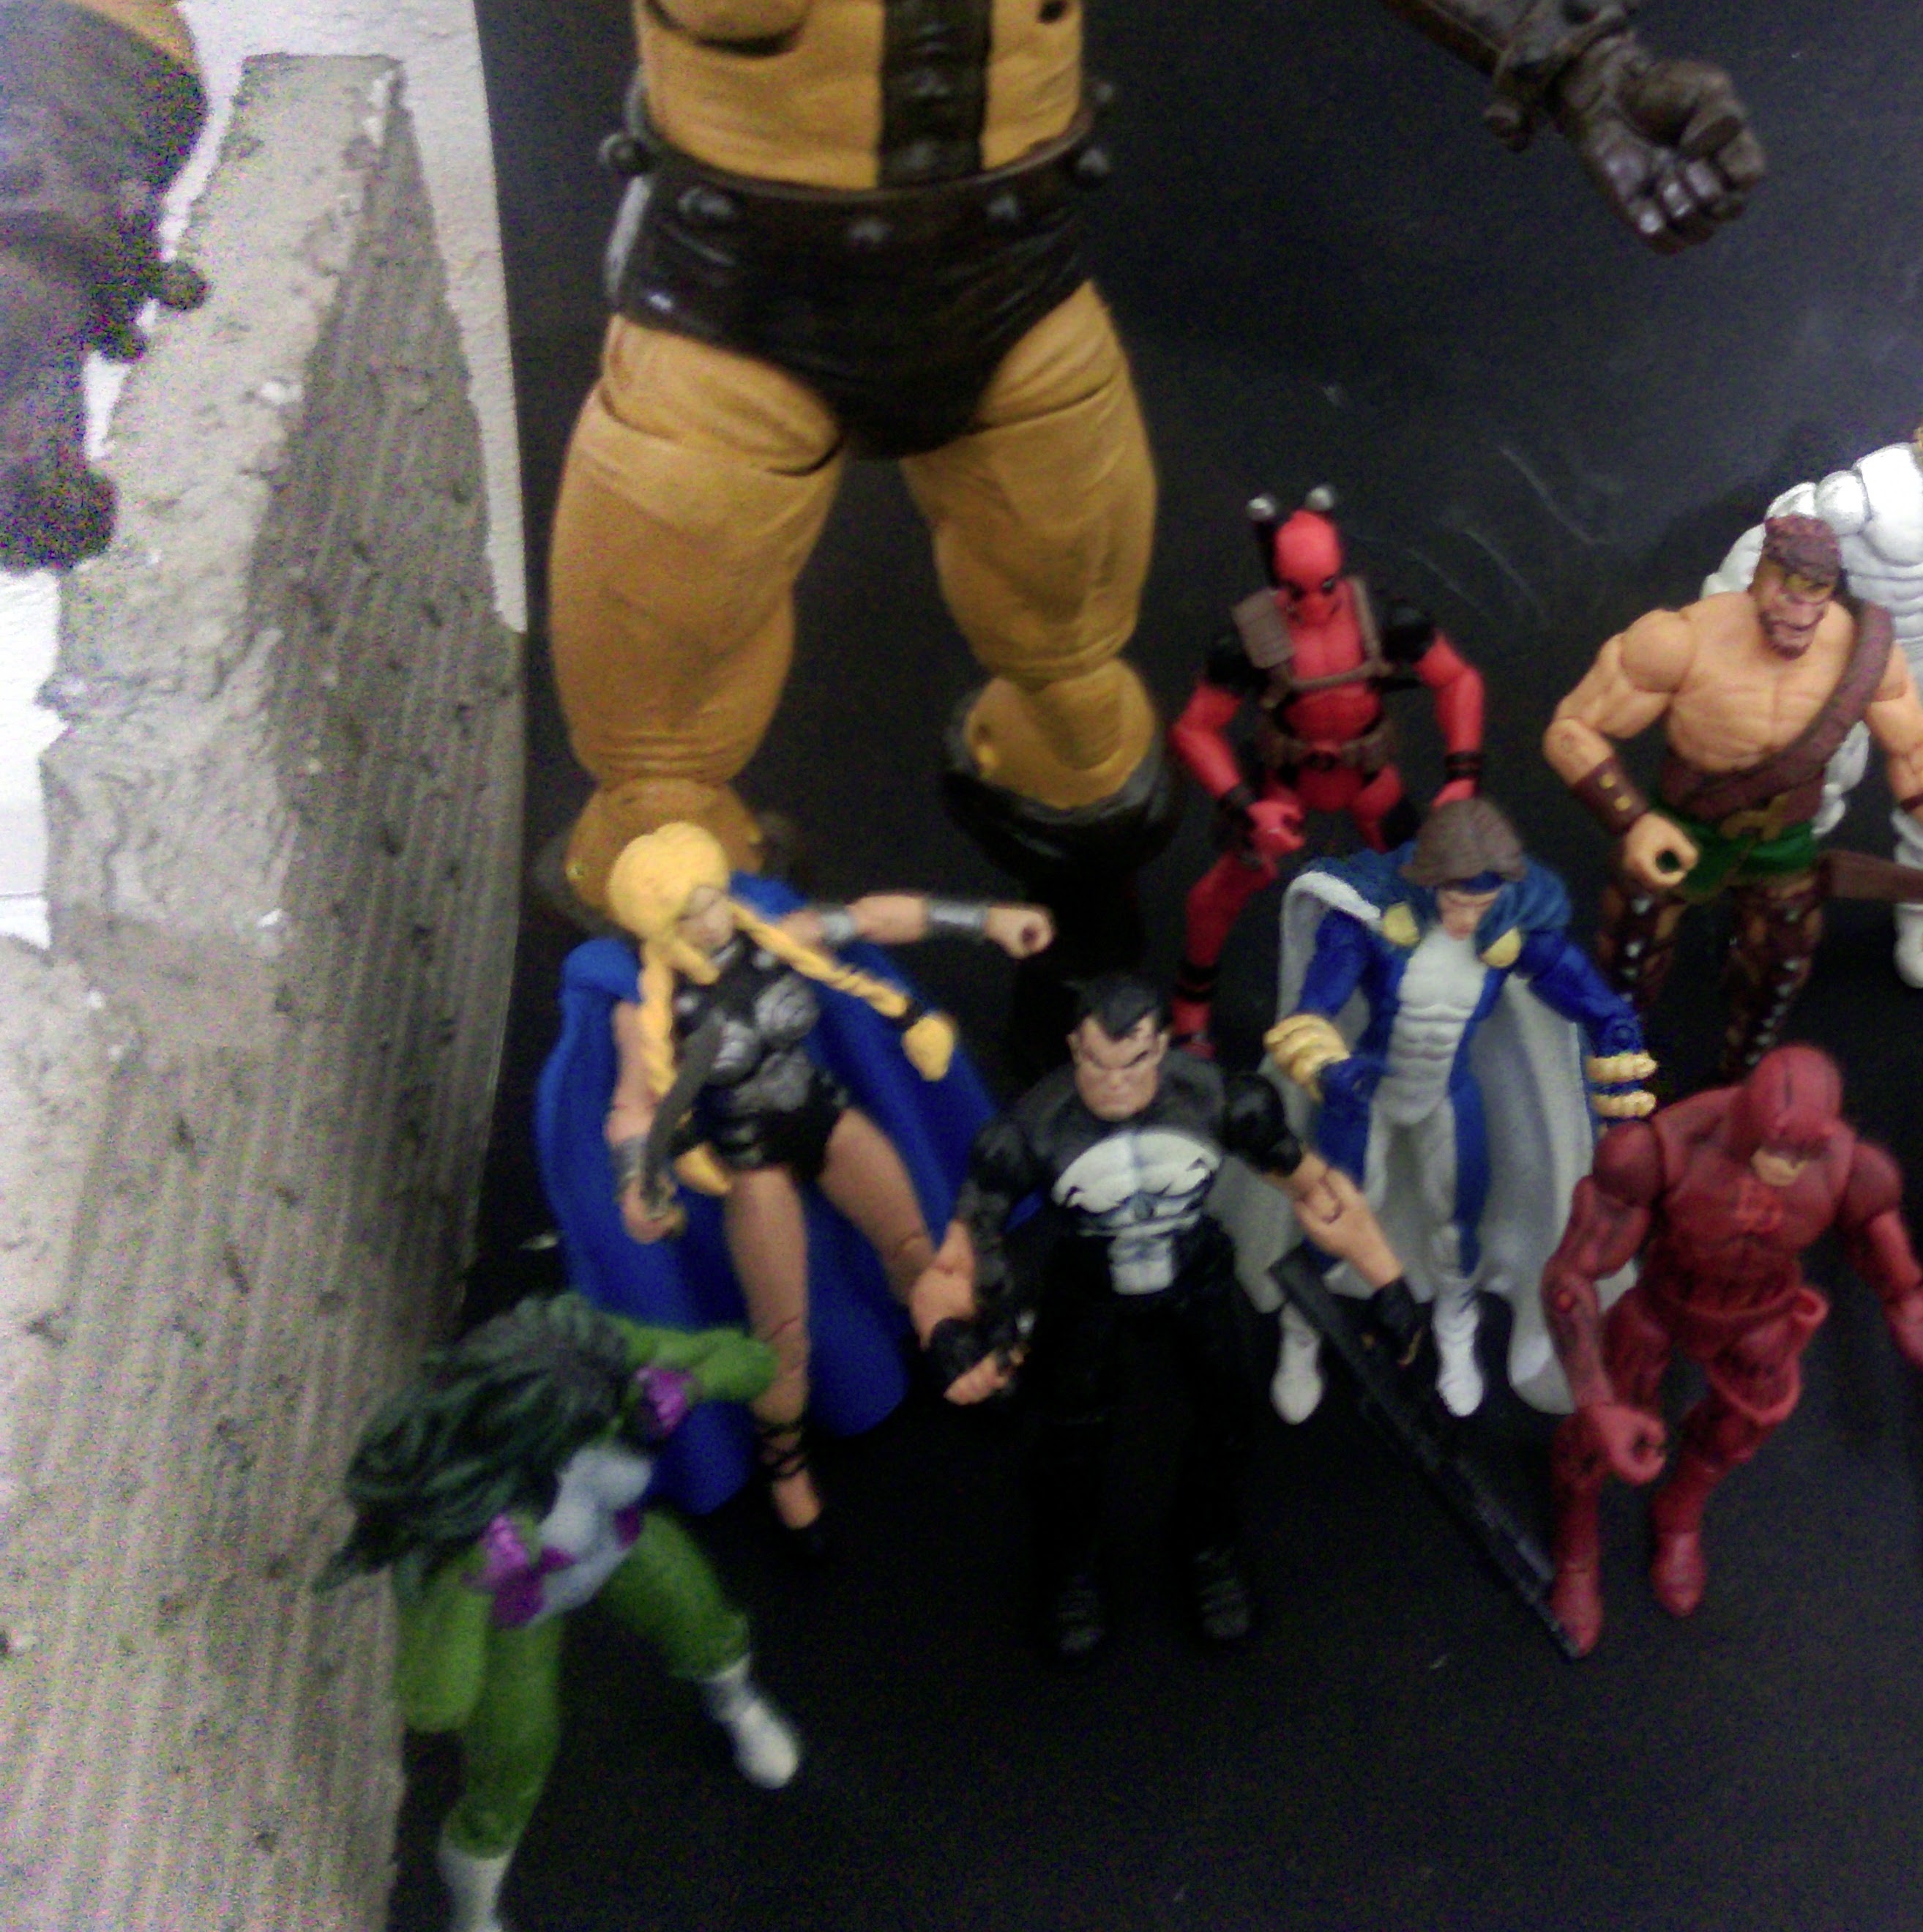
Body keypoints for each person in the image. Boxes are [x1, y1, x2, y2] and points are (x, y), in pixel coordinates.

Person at [0, 0, 1764, 955]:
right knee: (659, 827)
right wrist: (35, 256)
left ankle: (1095, 1032)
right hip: (731, 309)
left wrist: (1580, 57)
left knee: (1086, 730)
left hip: (1021, 282)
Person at [911, 972, 1414, 1660]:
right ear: (1074, 1048)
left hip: (1194, 1271)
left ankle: (1208, 1543)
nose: (1116, 1083)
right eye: (1097, 1064)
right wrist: (944, 1334)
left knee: (1229, 1412)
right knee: (1069, 1435)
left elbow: (1320, 1192)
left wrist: (1387, 1281)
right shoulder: (1031, 1130)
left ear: (1163, 1046)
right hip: (1089, 1284)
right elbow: (954, 1261)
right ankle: (1071, 1562)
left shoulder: (1218, 1100)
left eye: (1135, 1062)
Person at [591, 822, 1045, 1543]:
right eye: (690, 915)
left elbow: (872, 918)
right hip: (752, 1160)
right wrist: (633, 1182)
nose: (711, 922)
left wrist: (986, 919)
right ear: (660, 927)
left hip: (824, 1117)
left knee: (915, 1249)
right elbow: (633, 1108)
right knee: (783, 1332)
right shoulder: (647, 1010)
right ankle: (785, 1464)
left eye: (714, 901)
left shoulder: (777, 936)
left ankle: (951, 1347)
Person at [320, 1295, 802, 1932]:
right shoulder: (454, 1503)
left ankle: (737, 1706)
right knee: (510, 1770)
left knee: (704, 1623)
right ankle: (473, 1918)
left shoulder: (591, 1360)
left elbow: (757, 1364)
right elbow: (432, 1705)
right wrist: (472, 1584)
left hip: (619, 1544)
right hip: (517, 1614)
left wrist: (692, 1384)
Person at [1537, 1046, 1923, 1653]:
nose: (1785, 1167)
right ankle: (1577, 1550)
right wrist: (1595, 1400)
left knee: (1737, 1431)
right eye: (1775, 1148)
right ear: (1748, 1121)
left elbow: (1906, 1292)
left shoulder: (1851, 1172)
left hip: (1760, 1315)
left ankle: (1678, 1516)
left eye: (1801, 1154)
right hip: (1662, 1302)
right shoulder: (1661, 1149)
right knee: (1592, 1440)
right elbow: (1569, 1278)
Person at [1233, 797, 1652, 1421]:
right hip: (1366, 1089)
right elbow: (1313, 1008)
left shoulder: (1509, 927)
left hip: (1446, 1093)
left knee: (1457, 1219)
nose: (1466, 919)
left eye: (1480, 905)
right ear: (1428, 880)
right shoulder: (1373, 919)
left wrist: (1618, 1057)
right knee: (1331, 1213)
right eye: (1456, 901)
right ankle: (1303, 1327)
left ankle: (1457, 1322)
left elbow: (1593, 1002)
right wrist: (1326, 1066)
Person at [1545, 512, 1923, 1075]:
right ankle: (1613, 1059)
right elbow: (1571, 730)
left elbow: (1916, 749)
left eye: (1816, 593)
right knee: (1631, 945)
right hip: (1683, 824)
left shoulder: (1863, 652)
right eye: (1787, 589)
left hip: (1783, 837)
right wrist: (1633, 820)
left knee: (1779, 967)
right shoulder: (1681, 639)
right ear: (1760, 575)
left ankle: (1740, 1079)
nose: (1799, 609)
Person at [1700, 369, 1923, 985]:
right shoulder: (1867, 490)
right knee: (1809, 792)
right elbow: (1776, 537)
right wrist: (1722, 625)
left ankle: (1920, 908)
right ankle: (1771, 907)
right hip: (1849, 652)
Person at [1165, 491, 1484, 1049]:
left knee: (1427, 885)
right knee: (1218, 894)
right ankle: (1191, 1010)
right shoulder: (1253, 637)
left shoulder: (1382, 619)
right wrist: (1247, 808)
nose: (1313, 603)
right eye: (1297, 591)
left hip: (1368, 777)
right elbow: (1195, 728)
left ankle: (1440, 1001)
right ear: (1279, 582)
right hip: (1285, 785)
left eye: (1326, 586)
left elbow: (1458, 680)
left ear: (1340, 571)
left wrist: (1462, 774)